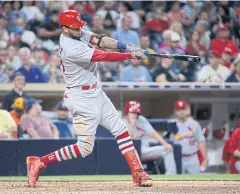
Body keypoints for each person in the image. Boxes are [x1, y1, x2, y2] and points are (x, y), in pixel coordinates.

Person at [26, 10, 152, 188]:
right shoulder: (70, 47)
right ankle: (39, 162)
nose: (79, 29)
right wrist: (130, 56)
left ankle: (137, 172)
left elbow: (100, 39)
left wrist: (126, 46)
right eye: (75, 27)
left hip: (95, 92)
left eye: (79, 26)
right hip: (79, 97)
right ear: (64, 29)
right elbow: (101, 55)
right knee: (85, 148)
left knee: (121, 129)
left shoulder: (76, 33)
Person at [124, 101, 177, 174]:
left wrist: (165, 144)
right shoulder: (123, 121)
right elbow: (128, 139)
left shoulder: (141, 119)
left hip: (144, 148)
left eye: (136, 113)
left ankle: (171, 176)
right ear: (127, 112)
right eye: (132, 112)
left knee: (168, 149)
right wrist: (131, 124)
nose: (134, 115)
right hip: (132, 151)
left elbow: (153, 133)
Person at [171, 100, 208, 174]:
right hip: (177, 158)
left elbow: (201, 142)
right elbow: (167, 143)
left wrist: (205, 159)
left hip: (192, 157)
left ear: (187, 110)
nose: (181, 112)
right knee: (178, 182)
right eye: (178, 110)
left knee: (196, 182)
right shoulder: (171, 124)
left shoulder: (194, 124)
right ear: (175, 111)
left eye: (183, 109)